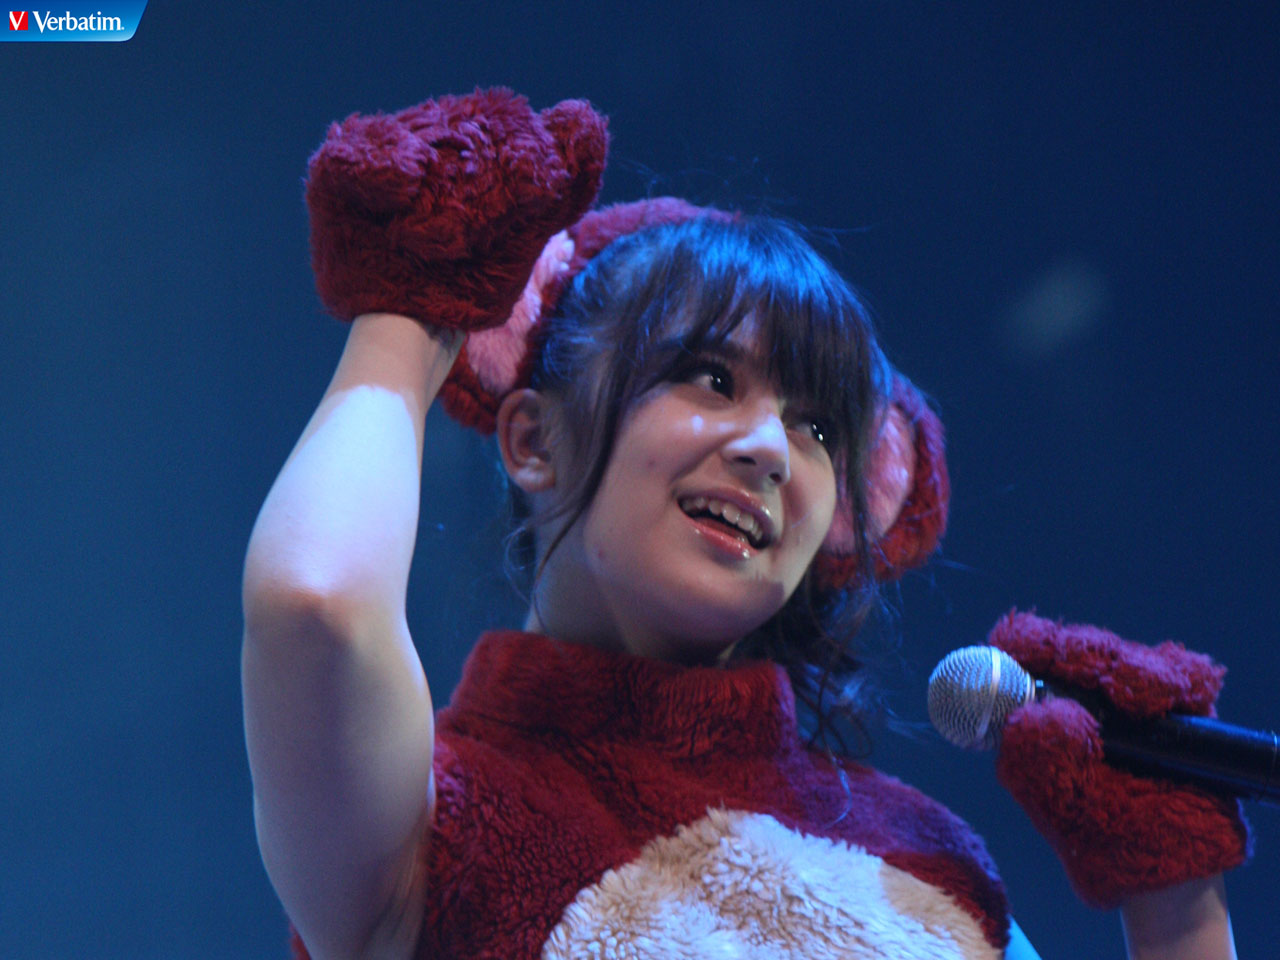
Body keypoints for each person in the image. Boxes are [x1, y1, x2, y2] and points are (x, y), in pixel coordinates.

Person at [241, 89, 1249, 960]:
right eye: (710, 378)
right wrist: (407, 316)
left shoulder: (928, 859)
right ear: (534, 440)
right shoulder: (444, 819)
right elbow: (315, 605)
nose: (770, 448)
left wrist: (1174, 908)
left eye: (818, 427)